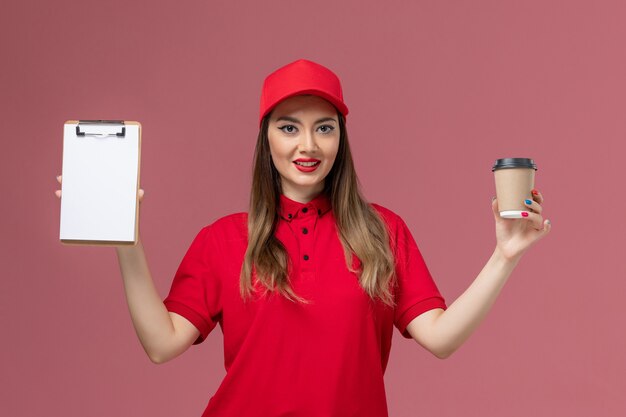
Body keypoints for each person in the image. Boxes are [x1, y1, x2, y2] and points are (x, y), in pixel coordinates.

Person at [56, 59, 551, 417]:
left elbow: (440, 338)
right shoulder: (224, 240)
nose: (307, 146)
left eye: (325, 128)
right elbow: (161, 344)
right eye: (289, 127)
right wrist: (127, 241)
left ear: (341, 139)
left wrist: (504, 256)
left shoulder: (383, 231)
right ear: (266, 136)